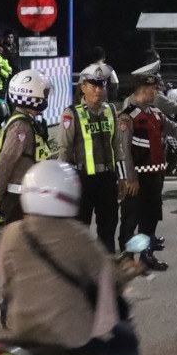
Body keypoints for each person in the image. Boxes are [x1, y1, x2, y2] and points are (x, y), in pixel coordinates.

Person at [0, 160, 140, 355]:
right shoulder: (77, 236)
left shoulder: (12, 232)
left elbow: (2, 275)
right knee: (124, 342)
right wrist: (129, 272)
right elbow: (108, 276)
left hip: (22, 331)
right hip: (68, 337)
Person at [119, 71, 177, 268]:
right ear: (144, 90)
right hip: (138, 178)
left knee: (150, 217)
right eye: (154, 89)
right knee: (131, 217)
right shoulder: (128, 117)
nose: (157, 93)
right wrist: (131, 178)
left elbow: (176, 130)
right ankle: (126, 257)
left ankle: (146, 255)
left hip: (155, 176)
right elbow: (124, 150)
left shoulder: (154, 113)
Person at [59, 65, 133, 251]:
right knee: (80, 229)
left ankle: (106, 264)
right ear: (83, 87)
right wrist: (64, 184)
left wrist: (122, 177)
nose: (98, 90)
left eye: (102, 86)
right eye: (94, 86)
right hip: (82, 180)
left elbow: (117, 146)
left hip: (107, 180)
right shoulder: (71, 113)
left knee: (108, 228)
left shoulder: (110, 110)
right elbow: (64, 151)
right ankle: (81, 266)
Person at [0, 69, 54, 224]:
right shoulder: (21, 126)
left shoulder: (26, 120)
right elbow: (6, 161)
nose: (46, 97)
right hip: (18, 196)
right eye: (44, 94)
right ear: (32, 96)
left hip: (26, 193)